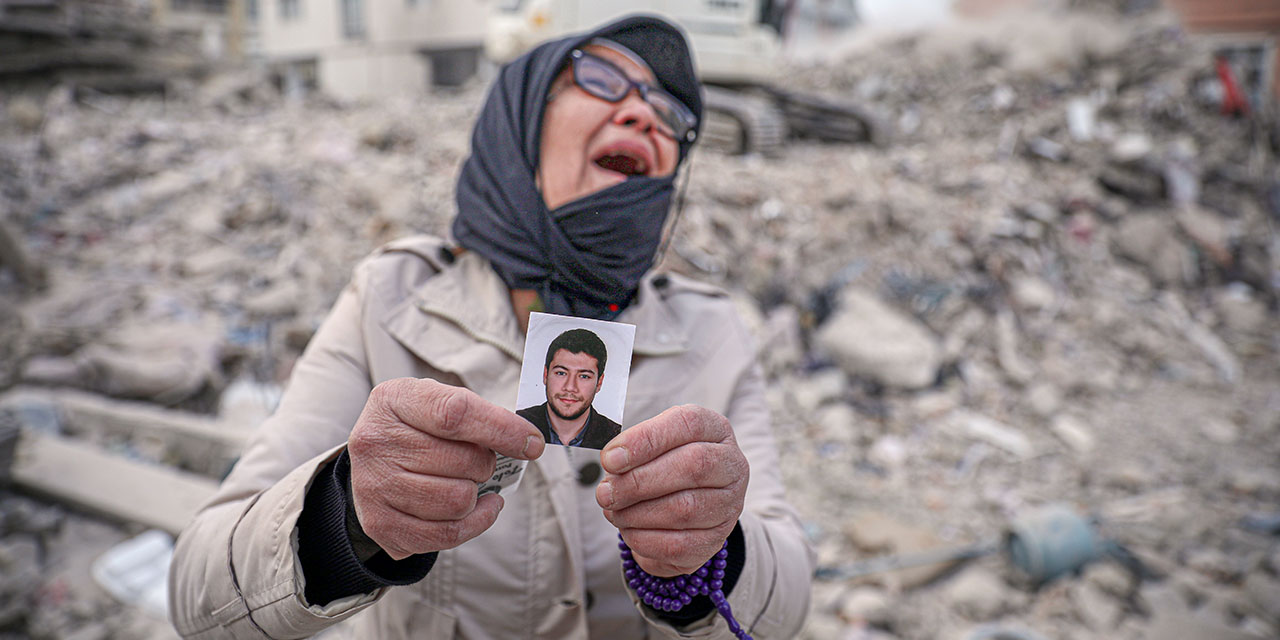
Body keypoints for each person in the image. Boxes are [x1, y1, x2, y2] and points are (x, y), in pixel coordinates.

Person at [168, 14, 813, 640]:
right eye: (603, 80)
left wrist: (715, 549)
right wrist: (348, 515)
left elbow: (786, 605)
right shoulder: (389, 300)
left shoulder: (712, 329)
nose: (645, 113)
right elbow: (197, 593)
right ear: (521, 118)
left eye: (670, 114)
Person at [518, 328, 623, 449]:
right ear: (545, 375)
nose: (570, 387)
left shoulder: (617, 438)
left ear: (599, 383)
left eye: (584, 376)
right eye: (561, 373)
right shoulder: (519, 423)